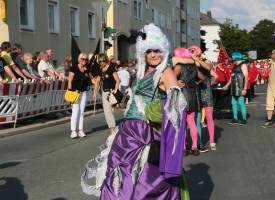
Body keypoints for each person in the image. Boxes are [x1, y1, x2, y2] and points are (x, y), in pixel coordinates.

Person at [83, 23, 188, 199]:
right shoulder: (144, 72)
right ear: (143, 53)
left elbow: (176, 104)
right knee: (118, 171)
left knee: (143, 179)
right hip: (128, 130)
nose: (153, 55)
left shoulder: (165, 72)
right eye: (149, 51)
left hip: (145, 133)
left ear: (163, 51)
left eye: (156, 50)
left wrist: (156, 114)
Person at [172, 47, 205, 156]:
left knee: (182, 124)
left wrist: (177, 81)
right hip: (192, 95)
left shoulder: (179, 66)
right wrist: (195, 83)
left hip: (181, 95)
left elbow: (171, 78)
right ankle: (195, 147)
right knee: (192, 123)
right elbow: (202, 77)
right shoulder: (193, 67)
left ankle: (184, 148)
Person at [93, 53, 120, 135]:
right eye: (100, 61)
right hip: (105, 92)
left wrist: (115, 91)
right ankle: (112, 129)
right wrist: (94, 92)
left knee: (110, 111)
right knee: (107, 111)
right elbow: (97, 81)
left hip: (112, 91)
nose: (102, 63)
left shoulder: (111, 68)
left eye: (103, 61)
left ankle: (113, 128)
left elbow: (118, 80)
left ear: (106, 60)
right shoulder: (100, 70)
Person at [68, 53, 93, 138]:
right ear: (79, 59)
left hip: (83, 92)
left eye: (86, 59)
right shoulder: (74, 68)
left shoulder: (87, 69)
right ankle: (73, 131)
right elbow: (70, 81)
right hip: (75, 92)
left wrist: (97, 83)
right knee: (75, 111)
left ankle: (80, 130)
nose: (84, 61)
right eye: (83, 59)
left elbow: (91, 78)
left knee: (81, 112)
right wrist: (70, 91)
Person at [223, 51, 248, 126]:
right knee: (233, 103)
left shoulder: (243, 65)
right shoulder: (234, 66)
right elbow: (232, 77)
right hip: (234, 88)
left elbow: (246, 77)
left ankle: (244, 119)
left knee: (241, 103)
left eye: (233, 56)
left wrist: (245, 89)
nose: (232, 58)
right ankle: (235, 118)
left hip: (240, 87)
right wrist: (227, 85)